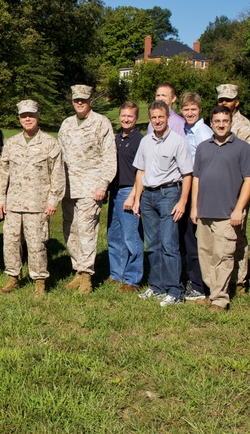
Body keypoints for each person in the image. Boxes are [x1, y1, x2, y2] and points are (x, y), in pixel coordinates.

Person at [0, 100, 65, 298]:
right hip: (14, 203)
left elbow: (58, 175)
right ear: (19, 118)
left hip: (38, 204)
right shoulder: (11, 143)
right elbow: (3, 173)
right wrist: (0, 199)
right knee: (11, 242)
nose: (27, 118)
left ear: (37, 116)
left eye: (31, 115)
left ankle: (39, 281)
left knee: (36, 244)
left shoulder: (50, 143)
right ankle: (13, 277)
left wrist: (53, 200)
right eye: (24, 115)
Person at [191, 106, 250, 312]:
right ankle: (213, 291)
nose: (221, 124)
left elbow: (249, 180)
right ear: (211, 123)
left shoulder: (243, 148)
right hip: (204, 212)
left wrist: (239, 209)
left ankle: (220, 299)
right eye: (217, 121)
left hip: (226, 214)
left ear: (230, 123)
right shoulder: (203, 148)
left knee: (223, 256)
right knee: (206, 255)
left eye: (225, 121)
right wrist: (194, 207)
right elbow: (196, 178)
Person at [131, 101, 193, 307]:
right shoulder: (146, 142)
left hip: (169, 194)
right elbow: (140, 171)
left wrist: (183, 201)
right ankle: (157, 287)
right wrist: (137, 198)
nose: (157, 121)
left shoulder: (178, 141)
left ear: (168, 117)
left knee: (169, 244)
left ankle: (174, 290)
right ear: (150, 119)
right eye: (154, 117)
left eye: (161, 117)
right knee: (154, 244)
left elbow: (187, 174)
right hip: (148, 196)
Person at [57, 85, 116, 293]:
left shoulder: (101, 123)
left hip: (91, 187)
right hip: (69, 187)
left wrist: (103, 185)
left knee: (87, 230)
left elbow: (109, 156)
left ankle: (87, 276)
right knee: (70, 230)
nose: (79, 103)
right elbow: (59, 157)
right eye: (76, 100)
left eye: (83, 99)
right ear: (72, 101)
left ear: (90, 100)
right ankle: (78, 270)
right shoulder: (66, 124)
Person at [216, 83, 250, 292]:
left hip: (238, 188)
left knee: (237, 233)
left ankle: (239, 279)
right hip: (219, 189)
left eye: (228, 100)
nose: (224, 103)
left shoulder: (244, 127)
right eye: (221, 99)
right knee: (222, 235)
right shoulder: (216, 121)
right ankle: (223, 276)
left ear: (236, 102)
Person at [106, 102, 145, 291]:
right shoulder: (117, 139)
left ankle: (133, 279)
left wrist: (134, 195)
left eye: (130, 116)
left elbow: (142, 171)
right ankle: (117, 273)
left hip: (129, 191)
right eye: (123, 116)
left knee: (131, 237)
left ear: (136, 118)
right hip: (114, 191)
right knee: (114, 236)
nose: (126, 119)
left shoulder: (140, 140)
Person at [179, 92, 214, 303]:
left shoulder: (203, 132)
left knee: (194, 239)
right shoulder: (186, 130)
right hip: (186, 186)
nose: (190, 113)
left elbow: (204, 167)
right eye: (186, 109)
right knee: (185, 237)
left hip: (197, 189)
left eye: (193, 109)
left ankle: (199, 285)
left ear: (200, 110)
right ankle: (191, 279)